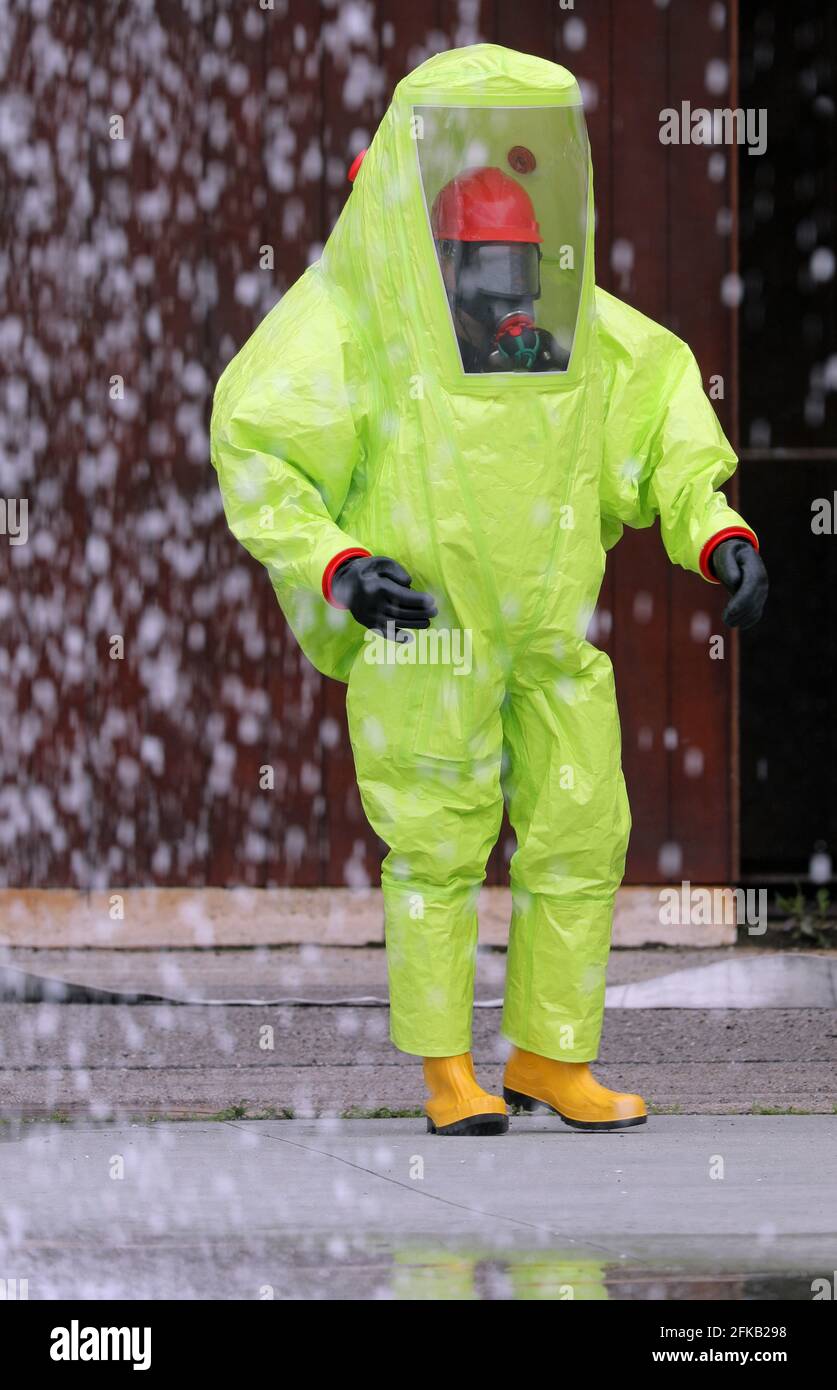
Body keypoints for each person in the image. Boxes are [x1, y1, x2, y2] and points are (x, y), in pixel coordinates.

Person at [211, 45, 768, 1137]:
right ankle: (447, 1071)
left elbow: (666, 433)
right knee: (436, 846)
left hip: (552, 639)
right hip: (429, 638)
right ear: (438, 257)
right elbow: (261, 441)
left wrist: (719, 533)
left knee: (581, 828)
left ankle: (553, 1057)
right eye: (481, 269)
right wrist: (339, 566)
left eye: (517, 272)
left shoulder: (582, 340)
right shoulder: (364, 332)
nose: (507, 298)